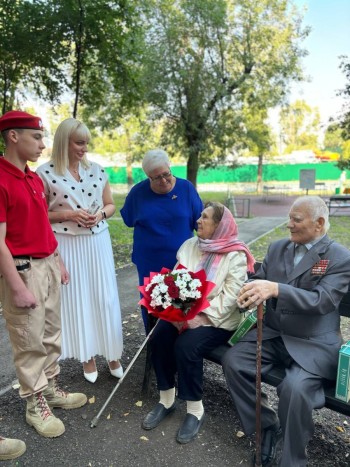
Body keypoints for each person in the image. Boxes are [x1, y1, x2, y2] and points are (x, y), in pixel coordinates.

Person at [222, 196, 350, 467]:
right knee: (233, 361)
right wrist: (250, 290)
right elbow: (259, 278)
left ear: (319, 223)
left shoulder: (340, 257)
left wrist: (276, 289)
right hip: (274, 334)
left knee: (294, 389)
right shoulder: (278, 247)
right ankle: (266, 425)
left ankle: (291, 460)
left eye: (296, 219)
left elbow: (322, 300)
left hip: (313, 343)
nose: (288, 224)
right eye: (289, 217)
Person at [0, 110, 87, 438]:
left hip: (48, 263)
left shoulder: (33, 178)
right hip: (23, 271)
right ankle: (34, 403)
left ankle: (50, 388)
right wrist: (17, 287)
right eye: (35, 137)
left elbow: (41, 227)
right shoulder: (1, 178)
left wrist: (58, 259)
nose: (42, 144)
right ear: (13, 136)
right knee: (28, 339)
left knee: (51, 333)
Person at [141, 202, 255, 443]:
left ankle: (195, 410)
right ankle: (167, 400)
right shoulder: (190, 245)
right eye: (200, 216)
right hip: (183, 314)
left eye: (205, 218)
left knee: (187, 346)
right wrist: (171, 309)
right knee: (159, 334)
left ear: (219, 225)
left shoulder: (235, 255)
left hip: (219, 320)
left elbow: (231, 298)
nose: (198, 221)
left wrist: (200, 317)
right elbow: (175, 281)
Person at [36, 118, 123, 384]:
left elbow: (110, 205)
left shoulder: (98, 170)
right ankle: (87, 357)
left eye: (86, 142)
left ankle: (113, 355)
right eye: (79, 142)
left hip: (98, 242)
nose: (84, 148)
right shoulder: (44, 173)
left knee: (105, 298)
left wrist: (99, 216)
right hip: (67, 244)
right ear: (64, 142)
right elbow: (40, 215)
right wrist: (69, 214)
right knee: (79, 299)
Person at [120, 148, 203, 332]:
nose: (163, 180)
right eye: (156, 178)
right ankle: (153, 345)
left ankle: (180, 345)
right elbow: (128, 219)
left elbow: (200, 222)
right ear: (148, 176)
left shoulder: (186, 189)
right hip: (149, 262)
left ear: (170, 168)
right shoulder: (138, 193)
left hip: (181, 261)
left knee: (181, 303)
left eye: (166, 174)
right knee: (153, 305)